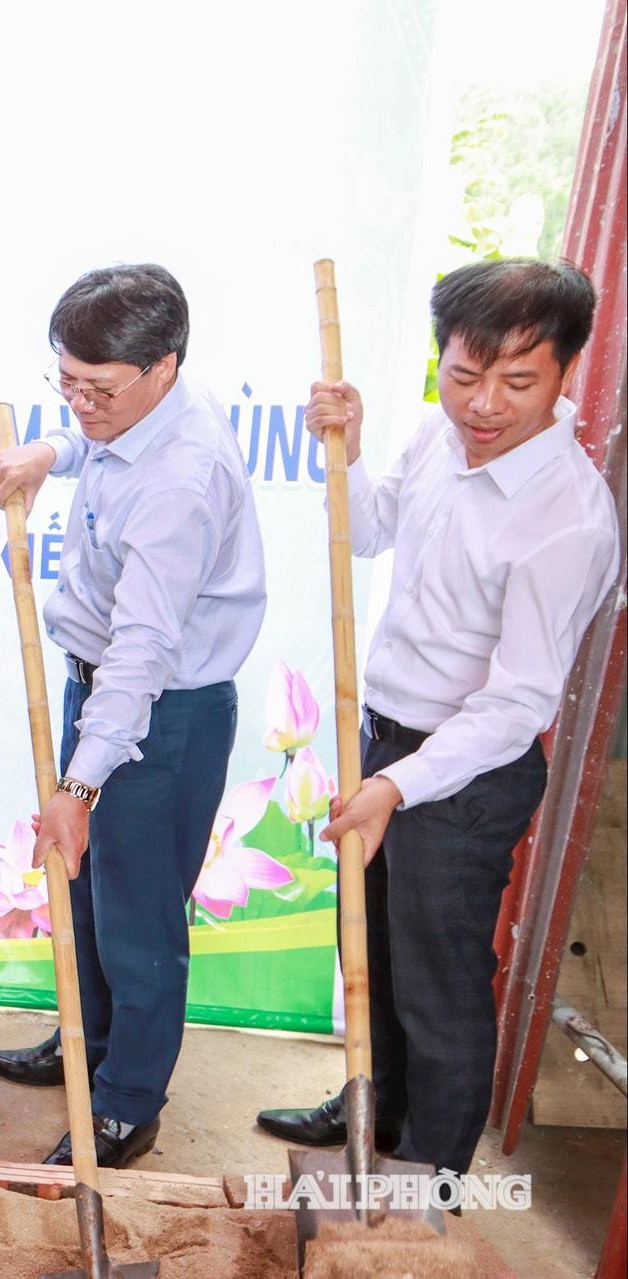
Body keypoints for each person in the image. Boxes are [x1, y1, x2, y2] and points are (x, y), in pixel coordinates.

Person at [256, 259, 619, 1177]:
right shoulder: (438, 437)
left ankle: (427, 1182)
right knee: (375, 951)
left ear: (567, 371)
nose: (484, 404)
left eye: (518, 382)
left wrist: (395, 787)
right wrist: (347, 449)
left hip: (467, 775)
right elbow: (371, 528)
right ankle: (374, 1113)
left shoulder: (569, 520)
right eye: (464, 375)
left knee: (439, 981)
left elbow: (517, 702)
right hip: (385, 739)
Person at [0, 264, 267, 1169]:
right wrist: (52, 452)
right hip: (103, 691)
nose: (80, 404)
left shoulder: (182, 481)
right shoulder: (141, 412)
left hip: (160, 715)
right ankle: (89, 1044)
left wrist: (78, 785)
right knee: (85, 891)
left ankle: (126, 1104)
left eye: (97, 390)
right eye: (65, 382)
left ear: (163, 367)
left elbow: (144, 651)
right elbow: (99, 440)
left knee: (139, 919)